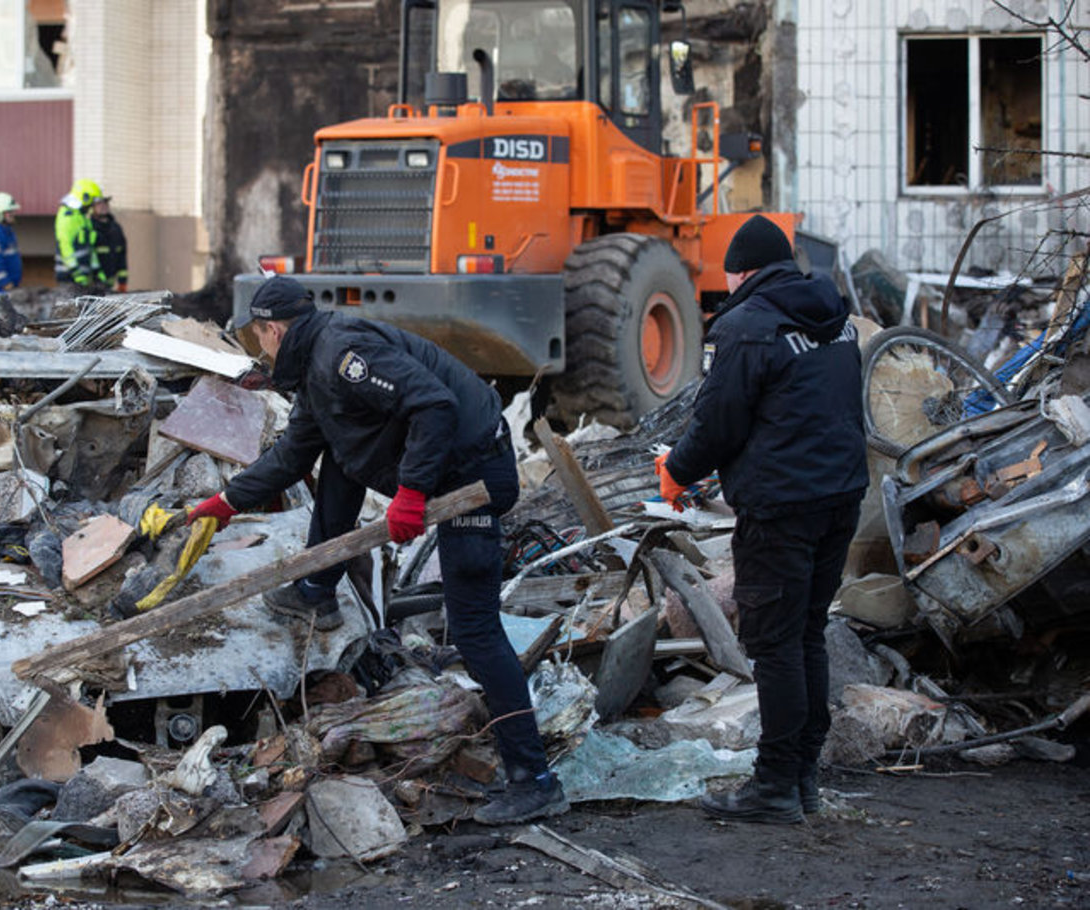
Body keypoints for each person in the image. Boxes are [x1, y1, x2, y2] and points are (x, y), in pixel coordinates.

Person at [187, 276, 568, 826]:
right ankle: (317, 589)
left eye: (259, 336)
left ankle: (534, 781)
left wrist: (411, 492)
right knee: (342, 456)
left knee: (475, 630)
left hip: (474, 473)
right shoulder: (316, 368)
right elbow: (294, 454)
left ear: (274, 330)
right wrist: (226, 502)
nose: (260, 346)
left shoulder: (342, 355)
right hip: (448, 464)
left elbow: (433, 405)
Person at [655, 215, 868, 824]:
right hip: (840, 496)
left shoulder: (746, 326)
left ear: (740, 272)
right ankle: (803, 779)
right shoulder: (838, 318)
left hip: (780, 509)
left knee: (774, 644)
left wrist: (676, 469)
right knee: (806, 634)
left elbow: (717, 422)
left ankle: (774, 786)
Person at [54, 178, 104, 288]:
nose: (92, 205)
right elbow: (65, 246)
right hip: (69, 278)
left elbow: (89, 248)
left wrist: (97, 271)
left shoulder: (83, 217)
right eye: (92, 201)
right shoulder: (67, 216)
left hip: (83, 278)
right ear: (85, 198)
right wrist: (76, 272)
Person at [91, 195, 129, 292]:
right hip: (92, 282)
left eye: (105, 203)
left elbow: (122, 256)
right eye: (99, 204)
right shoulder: (89, 227)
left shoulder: (116, 228)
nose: (103, 206)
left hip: (109, 284)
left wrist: (122, 281)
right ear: (92, 208)